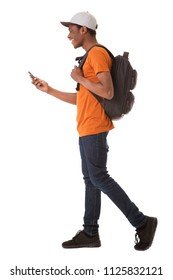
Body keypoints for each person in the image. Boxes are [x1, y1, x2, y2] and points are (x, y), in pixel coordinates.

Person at [31, 11, 157, 250]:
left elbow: (107, 92)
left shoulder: (96, 54)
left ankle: (142, 222)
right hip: (86, 126)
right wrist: (49, 90)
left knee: (99, 177)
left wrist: (80, 76)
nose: (69, 35)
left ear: (83, 30)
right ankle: (90, 233)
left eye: (71, 30)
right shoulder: (88, 58)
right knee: (91, 180)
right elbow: (82, 98)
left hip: (95, 127)